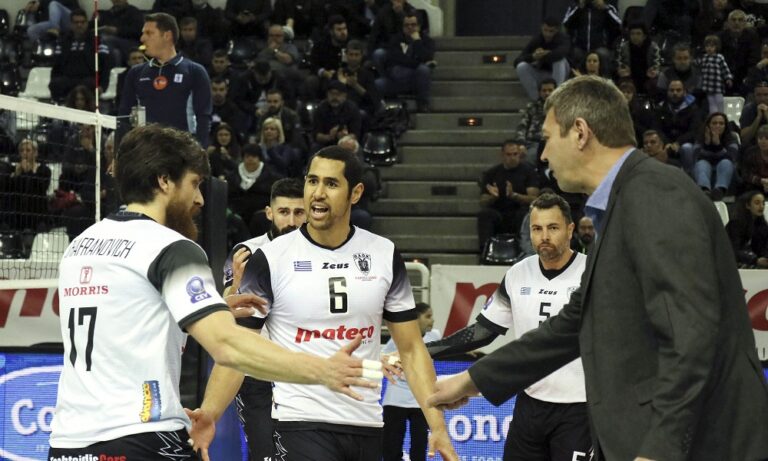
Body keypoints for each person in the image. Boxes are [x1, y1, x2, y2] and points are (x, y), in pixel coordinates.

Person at [426, 75, 768, 461]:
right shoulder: (624, 201)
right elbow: (575, 322)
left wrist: (659, 449)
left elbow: (690, 335)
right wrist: (472, 380)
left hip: (704, 442)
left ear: (580, 132)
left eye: (548, 138)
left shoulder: (654, 194)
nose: (543, 155)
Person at [47, 124, 380, 460]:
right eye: (194, 184)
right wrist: (323, 370)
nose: (200, 199)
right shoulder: (172, 248)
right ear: (164, 181)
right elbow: (227, 345)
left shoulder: (80, 245)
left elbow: (124, 318)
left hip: (67, 442)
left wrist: (213, 306)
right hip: (140, 438)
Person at [190, 146, 458, 461]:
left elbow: (411, 349)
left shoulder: (383, 254)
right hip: (299, 422)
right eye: (312, 181)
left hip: (367, 423)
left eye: (331, 184)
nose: (318, 193)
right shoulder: (271, 258)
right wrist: (210, 412)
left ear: (355, 193)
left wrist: (437, 424)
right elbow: (239, 348)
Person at [427, 193, 591, 461]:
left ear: (570, 230)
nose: (544, 236)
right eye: (537, 229)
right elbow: (482, 332)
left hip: (578, 407)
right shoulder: (518, 273)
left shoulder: (590, 272)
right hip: (530, 404)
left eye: (553, 228)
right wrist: (425, 351)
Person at [222, 177, 306, 461]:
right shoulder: (246, 251)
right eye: (284, 212)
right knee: (264, 453)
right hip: (256, 370)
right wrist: (236, 284)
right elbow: (223, 306)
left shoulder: (318, 254)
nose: (291, 221)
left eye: (298, 212)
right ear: (269, 213)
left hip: (301, 370)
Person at [119, 13, 212, 147]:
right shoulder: (135, 73)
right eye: (143, 33)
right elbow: (124, 116)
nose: (142, 38)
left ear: (167, 36)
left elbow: (203, 117)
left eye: (149, 33)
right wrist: (119, 152)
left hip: (182, 150)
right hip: (145, 150)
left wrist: (200, 153)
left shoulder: (195, 71)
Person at [382, 302, 441, 461]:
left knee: (419, 447)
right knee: (391, 448)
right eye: (428, 316)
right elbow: (384, 359)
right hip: (395, 400)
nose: (432, 320)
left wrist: (469, 351)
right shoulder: (397, 338)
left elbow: (448, 348)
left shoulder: (435, 336)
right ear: (416, 319)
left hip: (421, 400)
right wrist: (396, 361)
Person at [477, 139, 540, 250]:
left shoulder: (529, 172)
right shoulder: (492, 173)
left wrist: (514, 196)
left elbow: (534, 199)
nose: (512, 158)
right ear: (502, 155)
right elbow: (482, 201)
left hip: (519, 212)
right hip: (499, 213)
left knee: (525, 215)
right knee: (485, 215)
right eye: (509, 154)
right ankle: (485, 251)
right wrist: (492, 197)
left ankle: (523, 250)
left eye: (515, 154)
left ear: (519, 154)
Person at [375, 12, 435, 112]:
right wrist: (417, 63)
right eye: (406, 25)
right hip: (395, 78)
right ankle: (382, 109)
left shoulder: (427, 41)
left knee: (424, 70)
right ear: (402, 27)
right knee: (378, 83)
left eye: (413, 25)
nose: (410, 28)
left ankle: (423, 104)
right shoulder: (396, 39)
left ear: (419, 27)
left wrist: (417, 41)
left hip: (414, 79)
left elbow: (427, 57)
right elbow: (395, 58)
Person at [226, 143, 283, 228]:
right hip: (237, 213)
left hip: (261, 214)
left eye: (254, 156)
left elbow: (275, 197)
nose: (250, 159)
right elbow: (229, 196)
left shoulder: (271, 176)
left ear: (259, 158)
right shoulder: (232, 175)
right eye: (247, 156)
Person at [514, 17, 571, 101]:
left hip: (561, 74)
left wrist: (546, 54)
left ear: (557, 30)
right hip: (543, 74)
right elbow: (517, 61)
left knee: (559, 60)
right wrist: (533, 57)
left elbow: (561, 53)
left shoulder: (563, 39)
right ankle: (537, 100)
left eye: (551, 31)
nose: (547, 34)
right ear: (541, 28)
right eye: (545, 30)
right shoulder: (537, 39)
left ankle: (555, 98)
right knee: (521, 66)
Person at [692, 112, 739, 200]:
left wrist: (718, 145)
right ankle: (704, 190)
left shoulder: (732, 137)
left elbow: (732, 158)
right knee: (702, 164)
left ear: (725, 126)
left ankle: (719, 190)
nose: (718, 126)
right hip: (706, 166)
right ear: (708, 125)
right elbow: (696, 158)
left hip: (725, 168)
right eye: (714, 123)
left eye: (721, 123)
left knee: (726, 163)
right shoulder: (701, 137)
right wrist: (707, 144)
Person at [726, 190, 768, 268]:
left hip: (753, 261)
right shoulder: (735, 224)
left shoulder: (762, 226)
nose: (761, 206)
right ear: (747, 205)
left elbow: (764, 248)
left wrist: (765, 258)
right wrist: (754, 260)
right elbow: (732, 250)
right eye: (757, 203)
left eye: (763, 203)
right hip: (732, 262)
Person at [697, 35, 733, 114]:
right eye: (707, 46)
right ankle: (713, 116)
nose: (709, 48)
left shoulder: (719, 57)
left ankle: (721, 115)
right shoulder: (704, 58)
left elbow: (725, 69)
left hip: (717, 85)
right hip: (708, 85)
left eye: (712, 46)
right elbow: (699, 69)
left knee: (719, 101)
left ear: (716, 47)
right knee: (711, 103)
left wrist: (728, 78)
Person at [740, 124, 768, 193]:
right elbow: (745, 174)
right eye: (760, 138)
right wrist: (761, 181)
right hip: (754, 187)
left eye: (767, 138)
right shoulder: (750, 152)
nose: (763, 141)